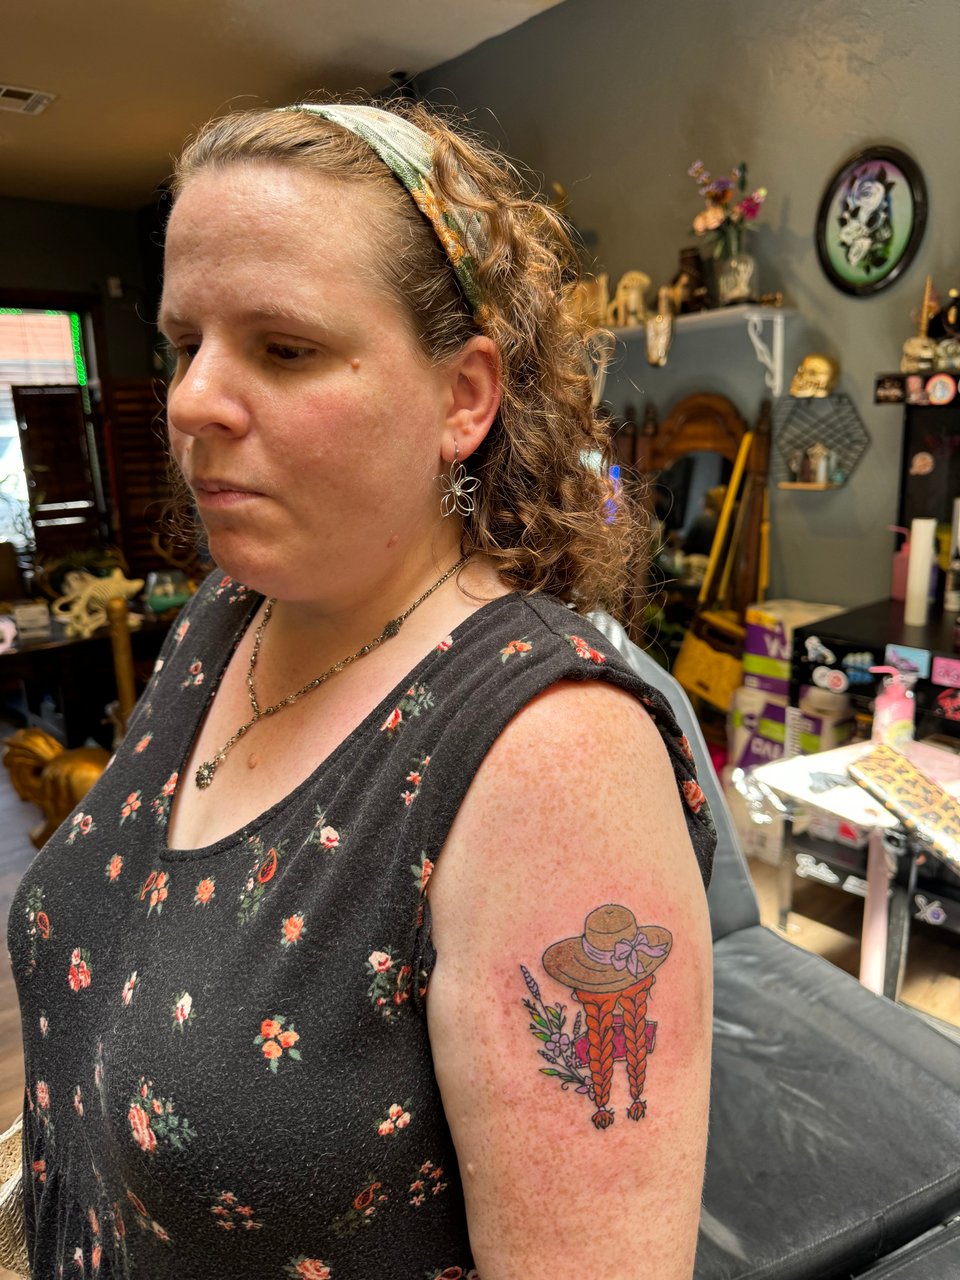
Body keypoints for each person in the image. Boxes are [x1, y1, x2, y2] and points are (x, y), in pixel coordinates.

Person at [10, 97, 715, 1279]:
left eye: (283, 348)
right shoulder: (221, 623)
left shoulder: (549, 762)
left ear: (464, 398)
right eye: (186, 343)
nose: (190, 401)